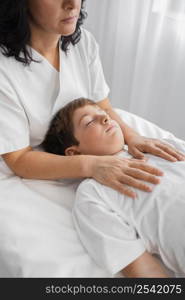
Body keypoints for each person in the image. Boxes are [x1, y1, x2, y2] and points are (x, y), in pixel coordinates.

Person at [0, 0, 184, 276]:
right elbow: (18, 158)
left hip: (90, 140)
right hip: (27, 160)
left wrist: (131, 137)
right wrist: (91, 166)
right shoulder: (4, 68)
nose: (72, 3)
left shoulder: (81, 42)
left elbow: (105, 106)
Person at [43, 97, 185, 278]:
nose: (105, 119)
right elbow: (143, 268)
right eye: (89, 121)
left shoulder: (162, 146)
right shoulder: (94, 193)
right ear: (74, 152)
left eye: (103, 114)